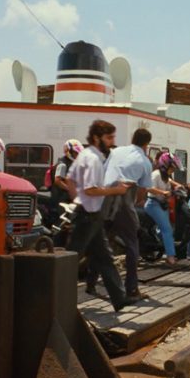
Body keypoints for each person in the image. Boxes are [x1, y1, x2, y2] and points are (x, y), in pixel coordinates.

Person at [66, 120, 139, 311]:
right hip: (88, 216)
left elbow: (69, 180)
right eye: (109, 137)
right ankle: (56, 301)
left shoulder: (84, 155)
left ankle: (119, 298)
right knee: (70, 260)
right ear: (97, 138)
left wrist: (76, 201)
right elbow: (90, 190)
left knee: (105, 257)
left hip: (91, 214)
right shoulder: (93, 159)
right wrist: (116, 190)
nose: (112, 141)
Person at [99, 128, 153, 298]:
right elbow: (143, 191)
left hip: (104, 197)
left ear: (132, 138)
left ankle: (91, 285)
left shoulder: (116, 151)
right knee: (132, 243)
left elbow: (104, 172)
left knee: (100, 241)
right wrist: (135, 203)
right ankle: (132, 288)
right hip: (123, 199)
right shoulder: (145, 161)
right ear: (146, 144)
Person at [145, 152, 183, 265]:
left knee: (164, 230)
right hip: (153, 204)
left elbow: (170, 182)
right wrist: (163, 192)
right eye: (172, 168)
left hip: (162, 204)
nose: (173, 170)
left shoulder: (166, 177)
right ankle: (170, 257)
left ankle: (162, 248)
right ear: (165, 166)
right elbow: (148, 188)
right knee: (167, 229)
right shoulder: (156, 175)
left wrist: (179, 186)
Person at [46, 139, 83, 230]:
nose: (77, 155)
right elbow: (57, 181)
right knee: (61, 223)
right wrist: (70, 189)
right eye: (75, 153)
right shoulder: (62, 164)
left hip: (66, 198)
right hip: (60, 199)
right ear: (68, 151)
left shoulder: (70, 163)